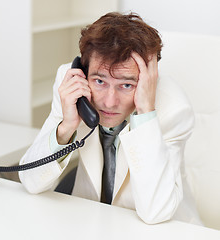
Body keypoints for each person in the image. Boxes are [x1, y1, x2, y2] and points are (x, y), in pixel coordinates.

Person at [19, 12, 202, 225]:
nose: (109, 102)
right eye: (99, 81)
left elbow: (156, 213)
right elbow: (31, 181)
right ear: (83, 71)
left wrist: (145, 114)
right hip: (92, 223)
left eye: (126, 85)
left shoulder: (173, 109)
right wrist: (66, 126)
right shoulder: (71, 85)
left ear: (148, 80)